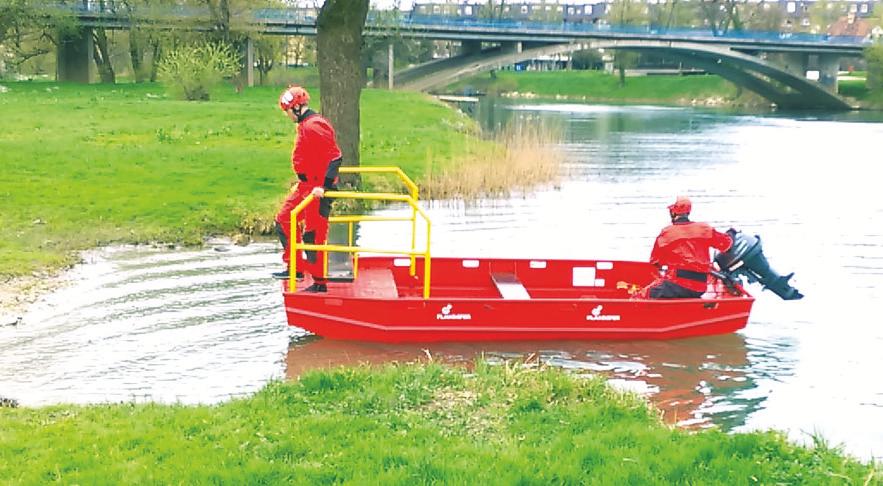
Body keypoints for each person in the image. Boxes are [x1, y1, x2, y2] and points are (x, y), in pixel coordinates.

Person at [272, 85, 342, 293]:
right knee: (283, 219)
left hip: (316, 189)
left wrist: (324, 187)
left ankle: (320, 282)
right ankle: (296, 268)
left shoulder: (314, 126)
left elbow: (335, 157)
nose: (287, 116)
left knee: (313, 235)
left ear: (296, 108)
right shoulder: (306, 125)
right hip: (306, 185)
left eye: (287, 112)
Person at [639, 196, 733, 299]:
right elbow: (727, 244)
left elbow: (655, 261)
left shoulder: (667, 233)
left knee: (643, 295)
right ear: (688, 212)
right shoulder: (704, 229)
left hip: (677, 284)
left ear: (673, 213)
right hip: (700, 287)